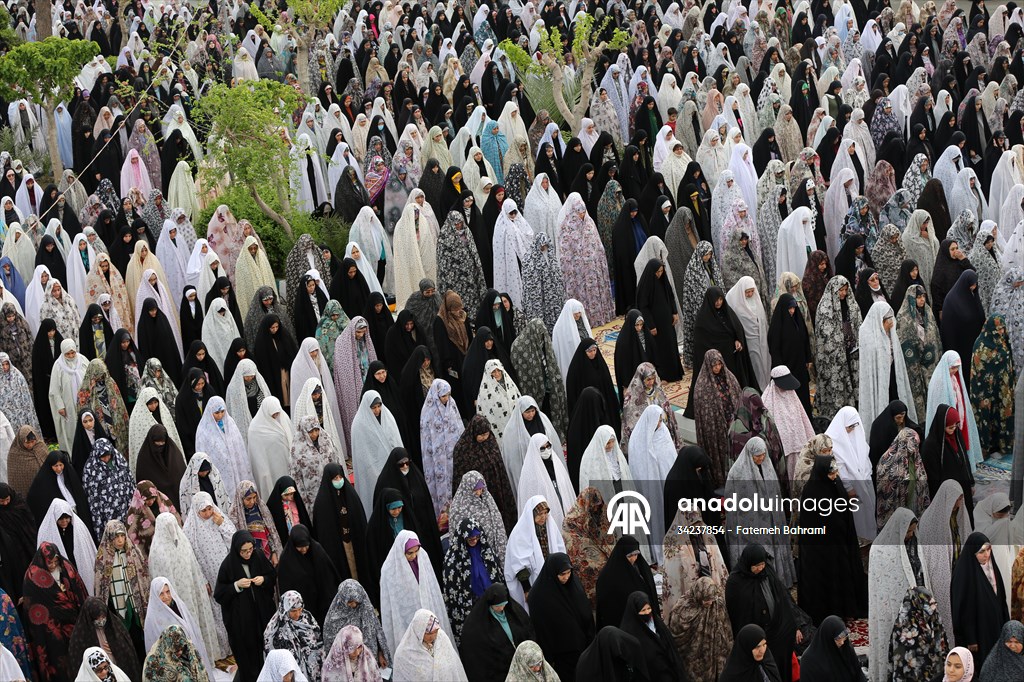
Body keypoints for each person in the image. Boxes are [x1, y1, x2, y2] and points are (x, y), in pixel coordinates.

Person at [724, 544, 797, 682]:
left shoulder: (767, 572)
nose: (760, 568)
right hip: (755, 636)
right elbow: (737, 614)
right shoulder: (736, 582)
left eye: (762, 564)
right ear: (748, 563)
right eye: (756, 565)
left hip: (776, 630)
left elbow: (781, 597)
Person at [214, 530, 278, 682]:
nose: (248, 554)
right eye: (244, 551)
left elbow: (272, 576)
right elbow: (219, 594)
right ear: (237, 550)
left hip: (263, 614)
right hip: (243, 621)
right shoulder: (228, 565)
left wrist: (264, 579)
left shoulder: (259, 556)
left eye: (250, 549)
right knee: (249, 655)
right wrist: (235, 586)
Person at [22, 542, 88, 682]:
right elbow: (34, 608)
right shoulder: (33, 576)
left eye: (55, 561)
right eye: (49, 562)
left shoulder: (67, 568)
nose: (52, 565)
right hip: (51, 631)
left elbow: (80, 591)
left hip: (74, 625)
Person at [528, 553, 595, 681]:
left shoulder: (573, 584)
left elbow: (584, 610)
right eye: (562, 574)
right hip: (562, 652)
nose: (566, 577)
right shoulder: (539, 595)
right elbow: (542, 628)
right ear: (553, 573)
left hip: (582, 646)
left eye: (568, 572)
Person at [951, 532, 1011, 669]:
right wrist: (971, 638)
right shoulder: (964, 574)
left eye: (988, 549)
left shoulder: (992, 569)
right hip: (978, 634)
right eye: (981, 551)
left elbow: (1002, 601)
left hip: (995, 628)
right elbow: (963, 609)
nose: (986, 554)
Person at [457, 583, 534, 680]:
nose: (501, 609)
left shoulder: (515, 612)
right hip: (497, 670)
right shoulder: (477, 622)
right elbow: (477, 652)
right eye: (497, 606)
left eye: (503, 605)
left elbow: (527, 630)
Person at [262, 590, 323, 682]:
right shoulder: (274, 628)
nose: (298, 614)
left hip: (313, 670)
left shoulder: (308, 618)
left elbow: (318, 641)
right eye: (293, 611)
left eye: (300, 609)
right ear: (286, 608)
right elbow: (273, 659)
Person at [392, 608, 468, 681]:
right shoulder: (404, 654)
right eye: (429, 633)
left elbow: (455, 666)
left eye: (436, 631)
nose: (433, 636)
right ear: (419, 631)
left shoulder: (441, 637)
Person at [797, 615, 865, 681]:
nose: (842, 643)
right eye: (838, 640)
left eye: (844, 639)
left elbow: (858, 671)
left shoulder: (845, 647)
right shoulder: (809, 660)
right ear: (829, 638)